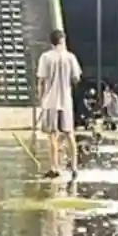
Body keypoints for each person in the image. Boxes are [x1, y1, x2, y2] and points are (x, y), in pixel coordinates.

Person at [36, 29, 82, 178]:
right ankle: (74, 167)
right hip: (66, 101)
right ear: (63, 40)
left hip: (50, 101)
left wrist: (40, 98)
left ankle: (55, 167)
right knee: (70, 134)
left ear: (51, 42)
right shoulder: (71, 57)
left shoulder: (46, 57)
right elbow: (76, 78)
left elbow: (41, 80)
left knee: (52, 136)